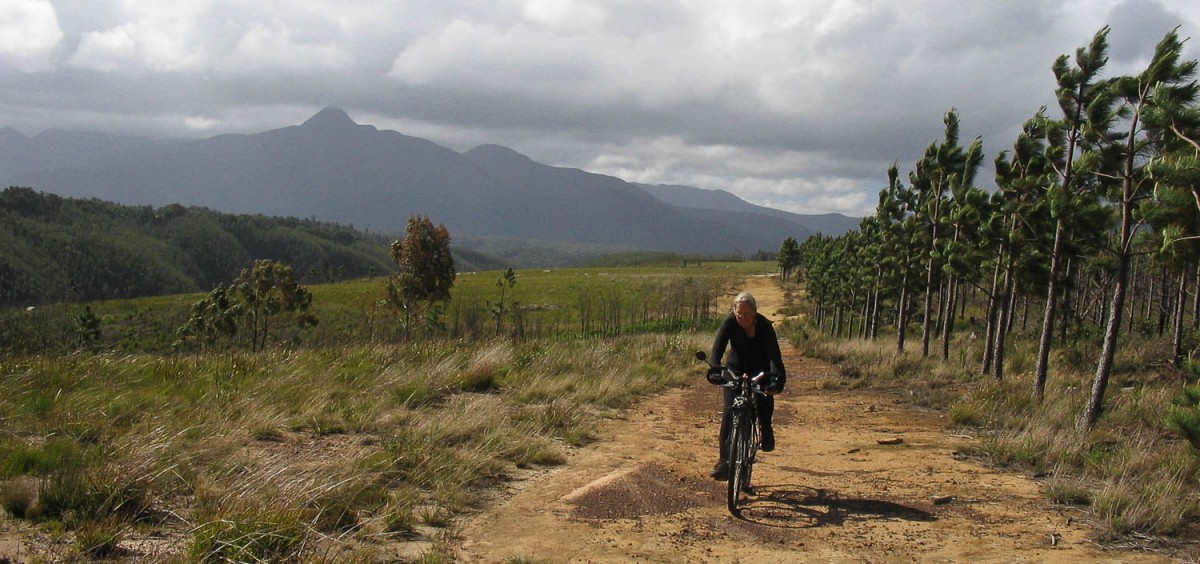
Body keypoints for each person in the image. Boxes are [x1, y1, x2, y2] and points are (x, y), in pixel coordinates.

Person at [706, 291, 786, 481]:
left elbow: (774, 356)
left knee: (764, 398)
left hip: (760, 368)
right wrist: (716, 369)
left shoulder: (765, 327)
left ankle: (766, 427)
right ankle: (725, 460)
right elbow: (717, 349)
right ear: (734, 311)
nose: (742, 317)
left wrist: (777, 380)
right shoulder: (730, 323)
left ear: (755, 313)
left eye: (747, 314)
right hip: (735, 367)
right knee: (729, 410)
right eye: (739, 313)